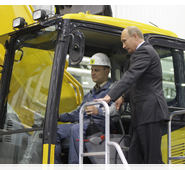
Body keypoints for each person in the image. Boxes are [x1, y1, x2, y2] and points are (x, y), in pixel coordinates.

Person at [95, 26, 169, 170]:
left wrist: (109, 96)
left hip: (150, 113)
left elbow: (131, 76)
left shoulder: (144, 51)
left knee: (151, 159)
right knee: (135, 157)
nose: (123, 46)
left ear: (135, 36)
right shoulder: (141, 54)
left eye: (124, 41)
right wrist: (123, 96)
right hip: (141, 115)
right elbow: (138, 84)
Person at [54, 53, 118, 170]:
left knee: (76, 128)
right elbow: (78, 113)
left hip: (102, 125)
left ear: (106, 71)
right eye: (92, 70)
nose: (93, 73)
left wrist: (98, 111)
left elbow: (117, 110)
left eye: (97, 70)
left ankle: (75, 168)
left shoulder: (114, 89)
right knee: (55, 131)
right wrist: (59, 117)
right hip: (85, 124)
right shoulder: (90, 94)